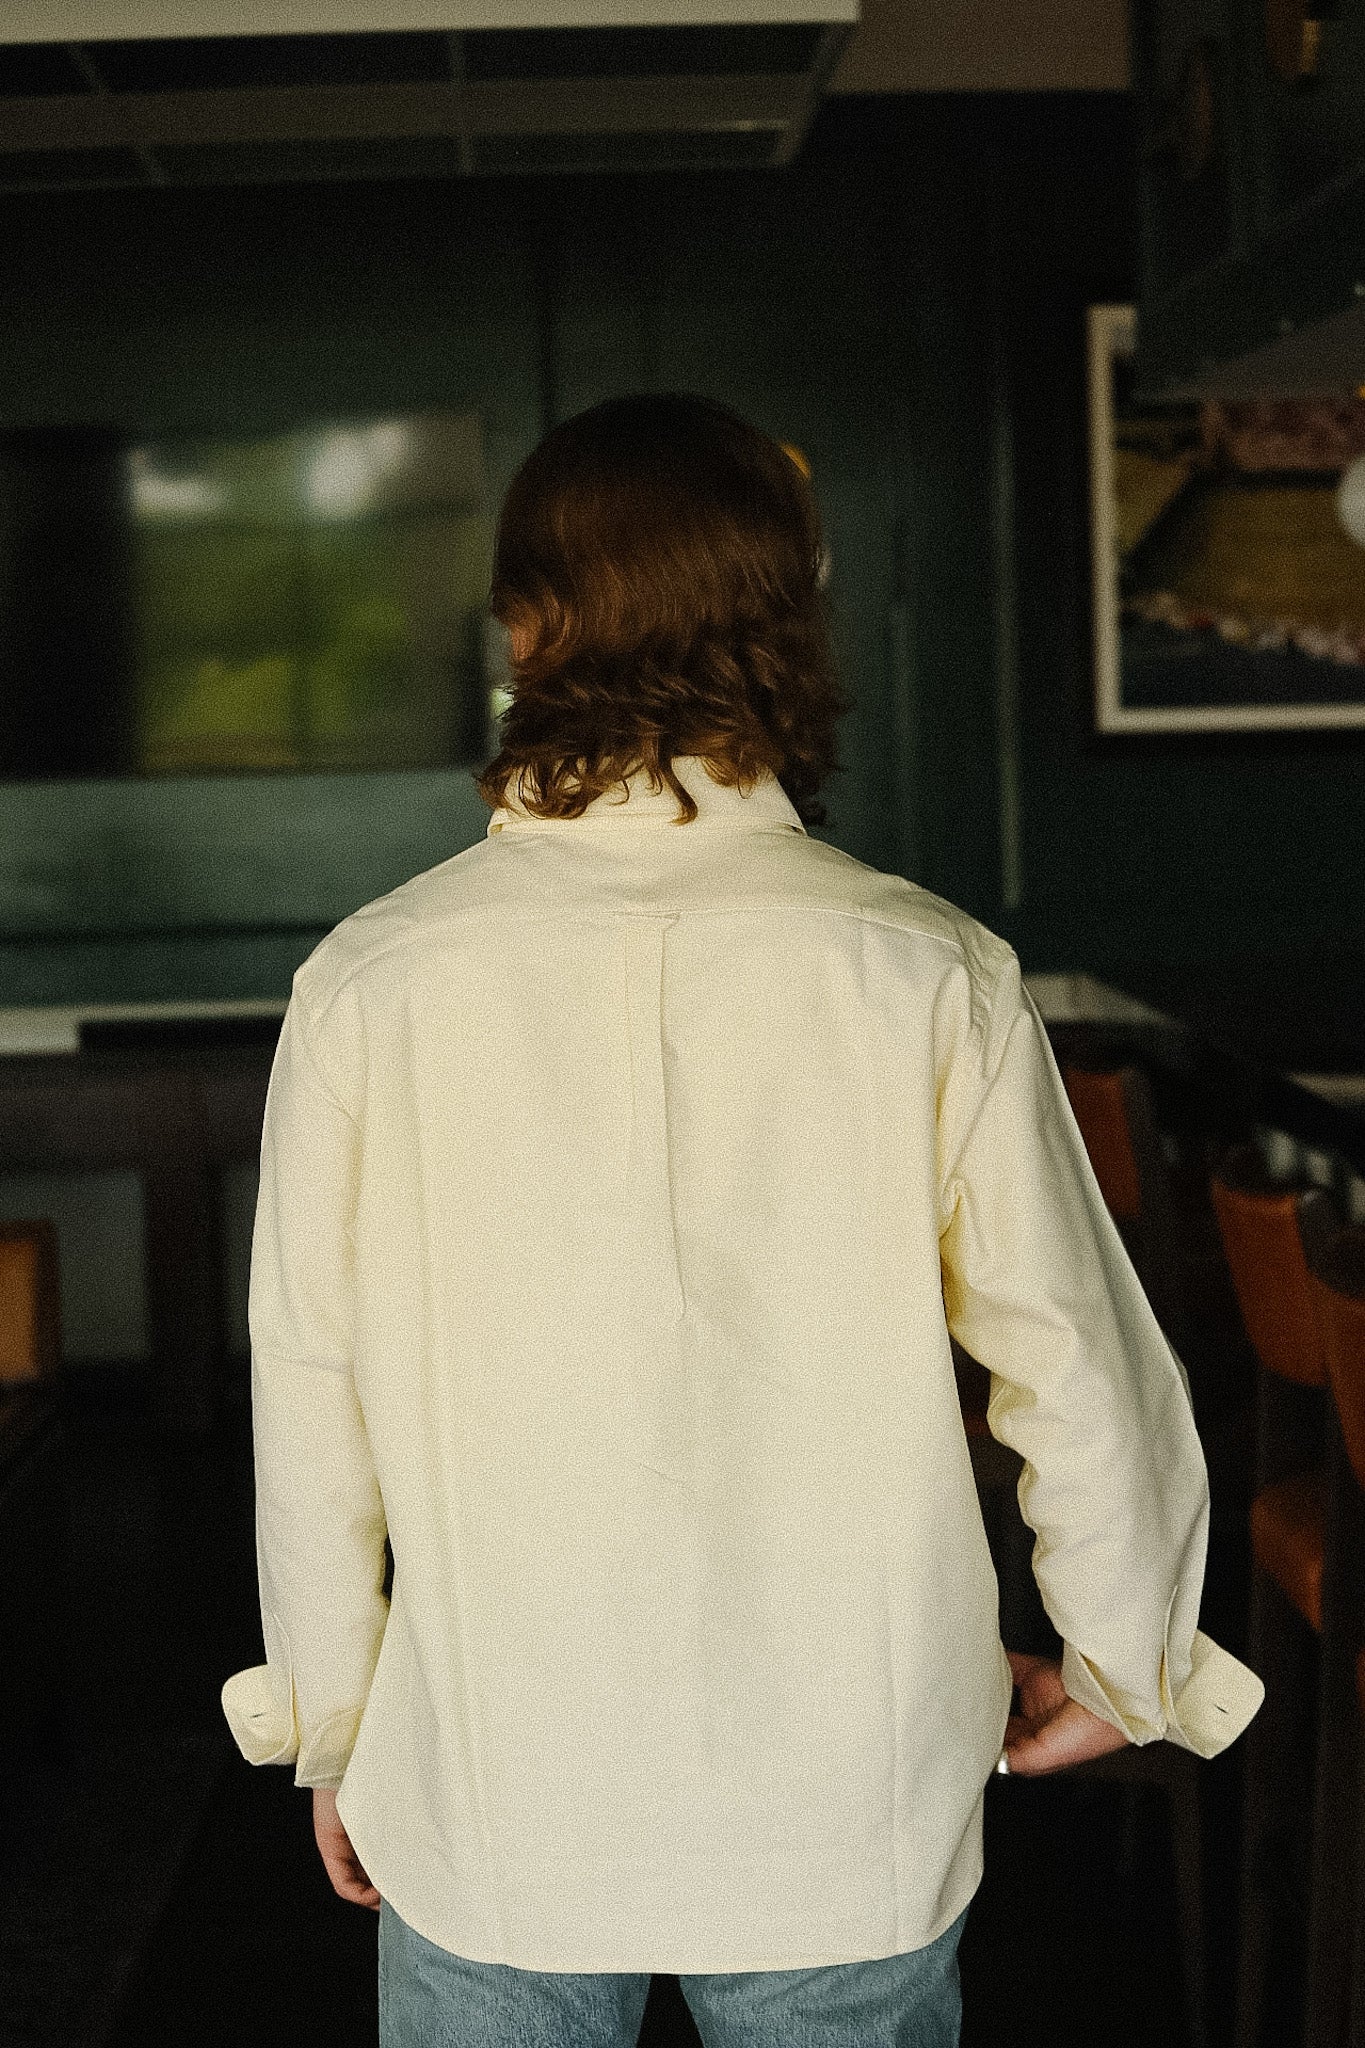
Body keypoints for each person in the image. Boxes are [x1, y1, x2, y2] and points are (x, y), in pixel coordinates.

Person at [222, 392, 1264, 2047]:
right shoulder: (926, 971)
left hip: (491, 1779)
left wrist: (333, 1726)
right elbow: (1068, 1353)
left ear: (524, 624)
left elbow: (309, 1388)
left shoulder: (372, 981)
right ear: (794, 615)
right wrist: (1123, 1658)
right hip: (843, 1794)